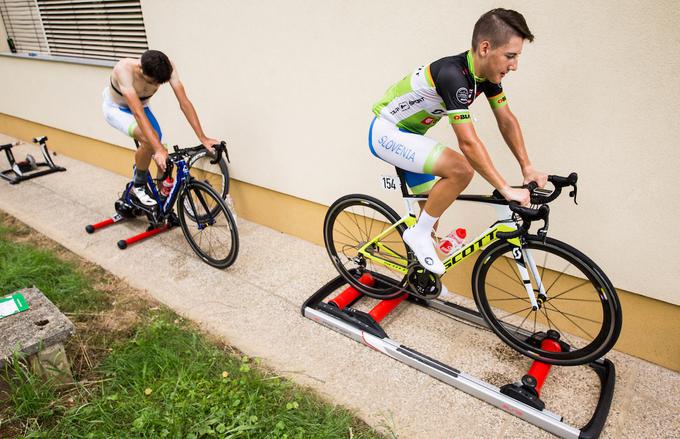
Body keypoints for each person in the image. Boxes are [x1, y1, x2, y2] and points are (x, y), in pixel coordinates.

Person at [368, 8, 548, 275]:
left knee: (430, 217)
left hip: (411, 137)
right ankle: (418, 236)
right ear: (485, 48)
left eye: (517, 57)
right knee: (461, 170)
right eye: (510, 56)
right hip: (388, 132)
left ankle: (419, 278)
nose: (515, 65)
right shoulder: (453, 75)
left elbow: (506, 119)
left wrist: (527, 167)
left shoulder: (485, 78)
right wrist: (505, 188)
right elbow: (467, 142)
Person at [102, 49, 218, 206]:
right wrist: (157, 149)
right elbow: (137, 113)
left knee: (164, 158)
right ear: (141, 69)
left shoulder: (167, 67)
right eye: (152, 82)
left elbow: (184, 102)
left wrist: (202, 137)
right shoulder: (124, 69)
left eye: (158, 84)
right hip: (117, 109)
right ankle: (138, 185)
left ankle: (161, 203)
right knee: (151, 143)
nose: (155, 86)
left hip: (142, 106)